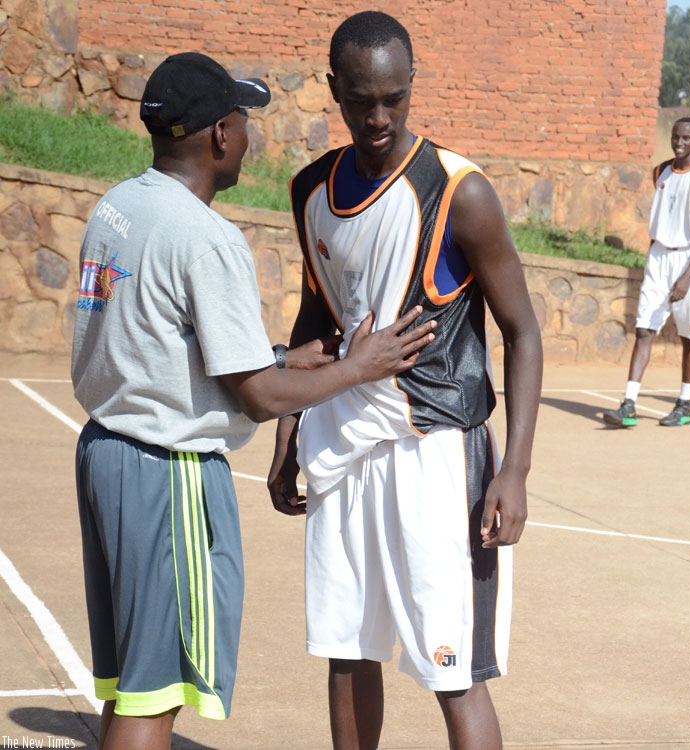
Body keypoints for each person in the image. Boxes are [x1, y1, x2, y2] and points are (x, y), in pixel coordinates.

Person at [70, 50, 437, 750]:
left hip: (107, 454)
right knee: (158, 692)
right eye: (243, 118)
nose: (249, 132)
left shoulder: (120, 205)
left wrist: (276, 356)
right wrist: (360, 365)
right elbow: (263, 398)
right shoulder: (207, 239)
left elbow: (159, 342)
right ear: (219, 136)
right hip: (165, 470)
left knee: (130, 683)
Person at [267, 12, 543, 750]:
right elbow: (315, 317)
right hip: (342, 445)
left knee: (453, 672)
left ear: (413, 83)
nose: (378, 116)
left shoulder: (460, 191)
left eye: (393, 98)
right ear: (335, 91)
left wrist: (513, 471)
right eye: (360, 100)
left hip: (434, 453)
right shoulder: (311, 190)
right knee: (348, 651)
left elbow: (523, 331)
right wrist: (290, 434)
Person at [603, 117, 690, 428]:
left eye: (687, 138)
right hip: (658, 255)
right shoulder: (661, 171)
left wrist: (686, 277)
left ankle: (684, 403)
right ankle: (628, 403)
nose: (680, 142)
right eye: (675, 137)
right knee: (645, 328)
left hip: (689, 258)